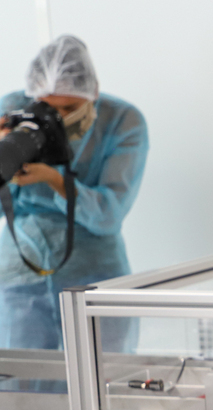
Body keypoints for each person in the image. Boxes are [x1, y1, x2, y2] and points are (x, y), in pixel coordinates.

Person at [0, 35, 148, 350]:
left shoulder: (122, 121)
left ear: (92, 92)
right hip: (20, 272)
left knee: (102, 383)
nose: (58, 119)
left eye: (70, 108)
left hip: (95, 273)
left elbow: (110, 213)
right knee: (22, 390)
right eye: (47, 108)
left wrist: (55, 179)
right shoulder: (12, 110)